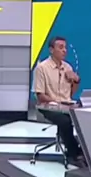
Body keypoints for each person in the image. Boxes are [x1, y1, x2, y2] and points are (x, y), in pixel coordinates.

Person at [34, 37, 83, 166]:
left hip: (66, 105)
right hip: (47, 106)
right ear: (51, 50)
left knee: (86, 117)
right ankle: (74, 153)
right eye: (61, 47)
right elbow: (40, 96)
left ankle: (85, 151)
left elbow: (70, 94)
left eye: (65, 47)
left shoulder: (67, 67)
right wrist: (58, 103)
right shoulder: (42, 68)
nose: (64, 50)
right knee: (65, 121)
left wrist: (76, 80)